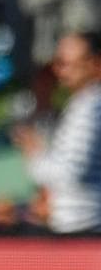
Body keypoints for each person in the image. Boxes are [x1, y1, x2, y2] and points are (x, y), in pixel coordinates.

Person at [14, 30, 101, 233]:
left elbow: (69, 174)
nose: (59, 71)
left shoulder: (91, 107)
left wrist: (34, 152)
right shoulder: (84, 104)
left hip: (84, 229)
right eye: (57, 63)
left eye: (65, 63)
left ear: (95, 63)